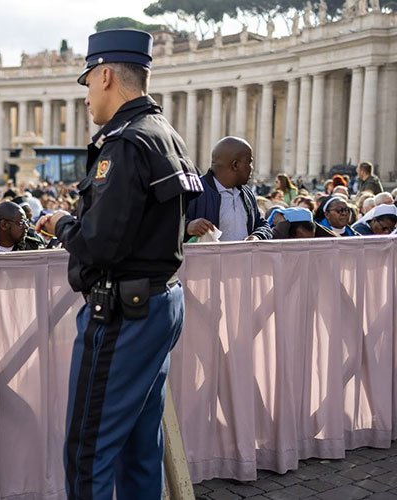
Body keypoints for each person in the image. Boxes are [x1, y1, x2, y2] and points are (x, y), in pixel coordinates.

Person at [36, 29, 202, 499]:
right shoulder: (165, 134)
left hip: (122, 315)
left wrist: (61, 224)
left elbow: (99, 245)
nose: (87, 95)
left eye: (88, 81)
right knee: (139, 446)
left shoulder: (125, 143)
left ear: (106, 75)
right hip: (160, 302)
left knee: (88, 451)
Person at [185, 137, 273, 241]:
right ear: (235, 165)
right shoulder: (192, 191)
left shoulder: (246, 193)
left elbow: (263, 225)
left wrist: (257, 236)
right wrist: (187, 226)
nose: (252, 168)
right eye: (249, 162)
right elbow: (170, 225)